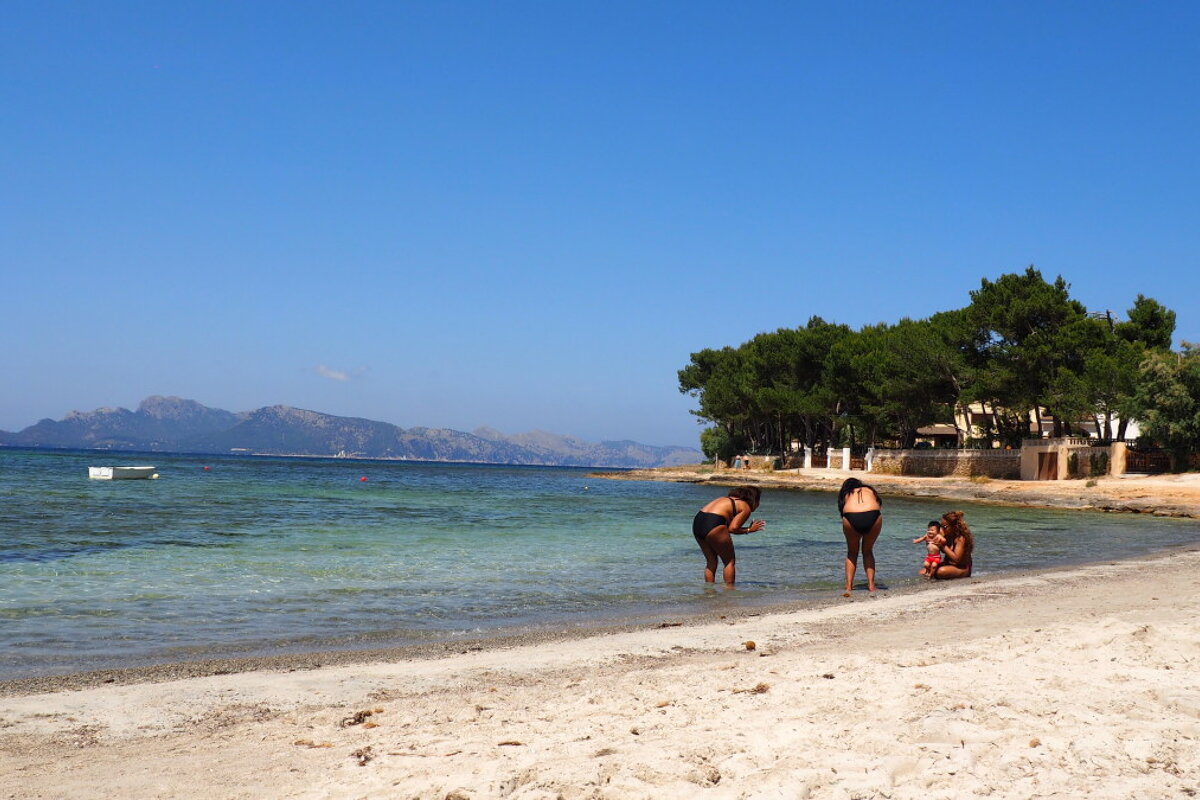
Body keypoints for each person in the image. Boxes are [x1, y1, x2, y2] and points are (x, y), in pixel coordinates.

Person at [692, 486, 765, 585]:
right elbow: (732, 529)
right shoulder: (745, 506)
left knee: (711, 562)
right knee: (729, 562)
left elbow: (726, 528)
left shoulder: (724, 499)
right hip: (713, 522)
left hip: (698, 522)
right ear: (754, 499)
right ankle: (729, 592)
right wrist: (749, 529)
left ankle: (709, 592)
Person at [837, 477, 882, 597]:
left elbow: (842, 512)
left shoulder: (846, 494)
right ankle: (871, 585)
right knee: (868, 551)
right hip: (873, 515)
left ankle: (849, 587)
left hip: (851, 516)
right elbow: (879, 504)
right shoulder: (869, 490)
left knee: (852, 553)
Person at [931, 510, 974, 580]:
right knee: (924, 570)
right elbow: (938, 552)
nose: (942, 529)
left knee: (940, 571)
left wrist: (943, 546)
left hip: (962, 568)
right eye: (940, 526)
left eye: (944, 527)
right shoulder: (947, 535)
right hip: (949, 565)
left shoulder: (960, 538)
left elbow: (957, 559)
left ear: (954, 527)